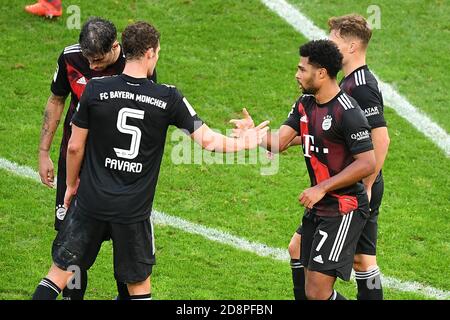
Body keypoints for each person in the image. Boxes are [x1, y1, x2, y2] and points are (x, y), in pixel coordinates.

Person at [32, 21, 269, 300]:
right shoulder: (168, 97)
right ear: (150, 53)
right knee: (139, 289)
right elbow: (209, 142)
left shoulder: (95, 89)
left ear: (123, 49)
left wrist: (72, 186)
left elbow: (74, 147)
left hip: (91, 201)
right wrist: (246, 142)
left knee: (57, 275)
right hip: (133, 211)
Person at [232, 39, 375, 300]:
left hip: (344, 208)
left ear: (321, 73)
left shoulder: (348, 112)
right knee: (303, 267)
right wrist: (254, 136)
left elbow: (367, 163)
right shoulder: (305, 103)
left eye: (302, 69)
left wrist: (321, 188)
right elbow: (279, 143)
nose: (297, 75)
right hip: (321, 206)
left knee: (318, 293)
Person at [37, 17, 157, 300]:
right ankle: (73, 298)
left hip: (114, 165)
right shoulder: (70, 58)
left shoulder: (135, 63)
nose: (92, 68)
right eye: (88, 60)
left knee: (124, 242)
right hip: (74, 156)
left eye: (99, 61)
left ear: (116, 47)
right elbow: (56, 101)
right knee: (72, 246)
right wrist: (43, 152)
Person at [287, 14, 390, 300]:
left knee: (363, 260)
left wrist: (367, 186)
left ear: (352, 47)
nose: (327, 44)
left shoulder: (361, 88)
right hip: (347, 185)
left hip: (356, 186)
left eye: (333, 40)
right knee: (300, 249)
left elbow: (380, 140)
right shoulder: (347, 82)